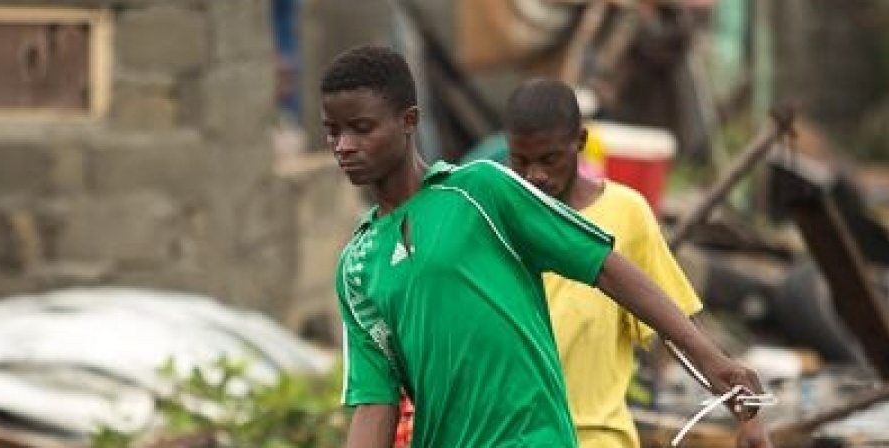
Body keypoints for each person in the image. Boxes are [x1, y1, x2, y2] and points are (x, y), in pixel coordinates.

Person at [321, 44, 763, 448]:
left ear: (409, 120)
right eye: (332, 132)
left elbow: (604, 266)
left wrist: (712, 361)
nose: (343, 146)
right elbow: (375, 400)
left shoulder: (480, 191)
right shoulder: (357, 265)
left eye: (361, 129)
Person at [503, 78, 769, 448]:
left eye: (549, 159)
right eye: (520, 161)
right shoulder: (497, 219)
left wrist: (744, 411)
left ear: (578, 143)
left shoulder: (624, 214)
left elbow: (676, 325)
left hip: (595, 438)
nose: (535, 175)